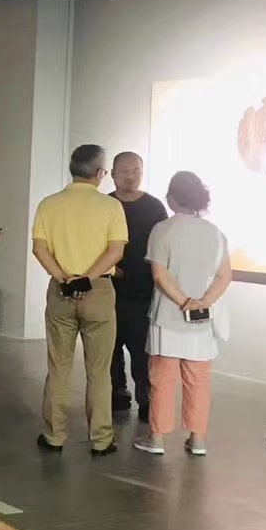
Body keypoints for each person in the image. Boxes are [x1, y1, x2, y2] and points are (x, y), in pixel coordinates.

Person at [32, 145, 129, 457]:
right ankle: (101, 440)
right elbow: (116, 251)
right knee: (99, 371)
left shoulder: (49, 204)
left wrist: (64, 277)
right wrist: (87, 278)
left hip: (60, 291)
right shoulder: (111, 207)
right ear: (100, 173)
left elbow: (39, 248)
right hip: (98, 291)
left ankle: (54, 436)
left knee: (58, 367)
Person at [133, 172, 233, 457]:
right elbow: (225, 276)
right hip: (201, 320)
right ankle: (197, 439)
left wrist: (183, 302)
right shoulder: (215, 233)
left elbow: (159, 274)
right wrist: (201, 303)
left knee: (162, 380)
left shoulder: (163, 229)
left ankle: (157, 438)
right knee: (198, 381)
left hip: (167, 317)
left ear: (172, 198)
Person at [109, 152, 167, 420]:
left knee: (142, 350)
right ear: (112, 174)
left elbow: (164, 247)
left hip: (144, 292)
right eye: (124, 171)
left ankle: (146, 400)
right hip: (109, 288)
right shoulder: (105, 205)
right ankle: (116, 393)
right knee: (110, 348)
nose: (131, 176)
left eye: (136, 170)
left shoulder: (154, 207)